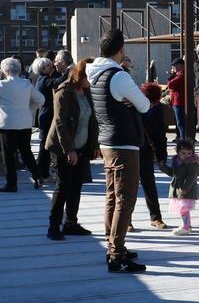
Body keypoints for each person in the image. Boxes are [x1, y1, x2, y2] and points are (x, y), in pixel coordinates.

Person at [87, 29, 151, 274]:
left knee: (112, 195)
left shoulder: (94, 73)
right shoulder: (118, 75)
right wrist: (131, 100)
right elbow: (144, 106)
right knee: (126, 198)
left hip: (106, 142)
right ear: (120, 49)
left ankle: (113, 244)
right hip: (124, 143)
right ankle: (117, 254)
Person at [44, 57, 98, 241]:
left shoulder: (87, 90)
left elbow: (92, 119)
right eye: (90, 75)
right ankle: (53, 226)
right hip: (62, 147)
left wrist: (94, 145)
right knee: (64, 186)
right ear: (82, 74)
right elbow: (60, 123)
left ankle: (71, 223)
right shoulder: (64, 91)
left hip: (81, 146)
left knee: (76, 185)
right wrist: (69, 150)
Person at [0, 57, 45, 192]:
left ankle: (12, 183)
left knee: (9, 155)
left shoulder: (2, 85)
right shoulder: (26, 83)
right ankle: (38, 176)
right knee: (26, 152)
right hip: (24, 123)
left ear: (4, 70)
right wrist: (29, 110)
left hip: (7, 125)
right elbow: (40, 99)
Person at [138, 82, 171, 231]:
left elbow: (160, 136)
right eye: (151, 102)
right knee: (128, 187)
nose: (153, 105)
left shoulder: (158, 110)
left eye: (156, 102)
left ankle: (156, 217)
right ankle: (127, 220)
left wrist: (161, 157)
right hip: (132, 150)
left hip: (146, 151)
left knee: (149, 184)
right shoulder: (133, 108)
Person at [35, 52, 70, 184]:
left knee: (46, 145)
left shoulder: (44, 78)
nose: (53, 66)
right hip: (46, 116)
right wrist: (67, 72)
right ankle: (42, 173)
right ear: (43, 69)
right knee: (45, 146)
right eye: (50, 65)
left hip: (46, 115)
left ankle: (43, 172)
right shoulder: (43, 80)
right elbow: (57, 82)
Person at [168, 139, 199, 236]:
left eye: (189, 153)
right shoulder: (176, 161)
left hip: (186, 189)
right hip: (178, 188)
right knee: (183, 208)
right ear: (178, 152)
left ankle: (185, 227)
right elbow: (172, 173)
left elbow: (191, 177)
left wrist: (185, 188)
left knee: (183, 208)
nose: (187, 155)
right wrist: (163, 167)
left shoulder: (192, 163)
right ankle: (188, 225)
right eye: (183, 153)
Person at [167, 59, 188, 140]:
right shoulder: (179, 74)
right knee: (178, 122)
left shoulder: (181, 75)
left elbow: (170, 85)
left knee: (180, 123)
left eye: (174, 66)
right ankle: (179, 137)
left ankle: (182, 139)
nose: (173, 69)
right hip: (176, 102)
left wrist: (172, 75)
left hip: (179, 102)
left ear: (180, 65)